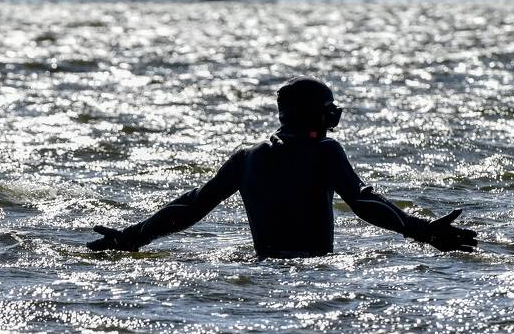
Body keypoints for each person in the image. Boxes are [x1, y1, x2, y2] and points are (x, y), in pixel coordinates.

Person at [86, 77, 477, 258]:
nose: (333, 121)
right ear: (317, 116)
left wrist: (133, 237)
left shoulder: (246, 157)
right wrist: (423, 232)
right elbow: (363, 202)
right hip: (315, 280)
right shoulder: (325, 150)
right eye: (331, 113)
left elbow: (190, 207)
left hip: (263, 275)